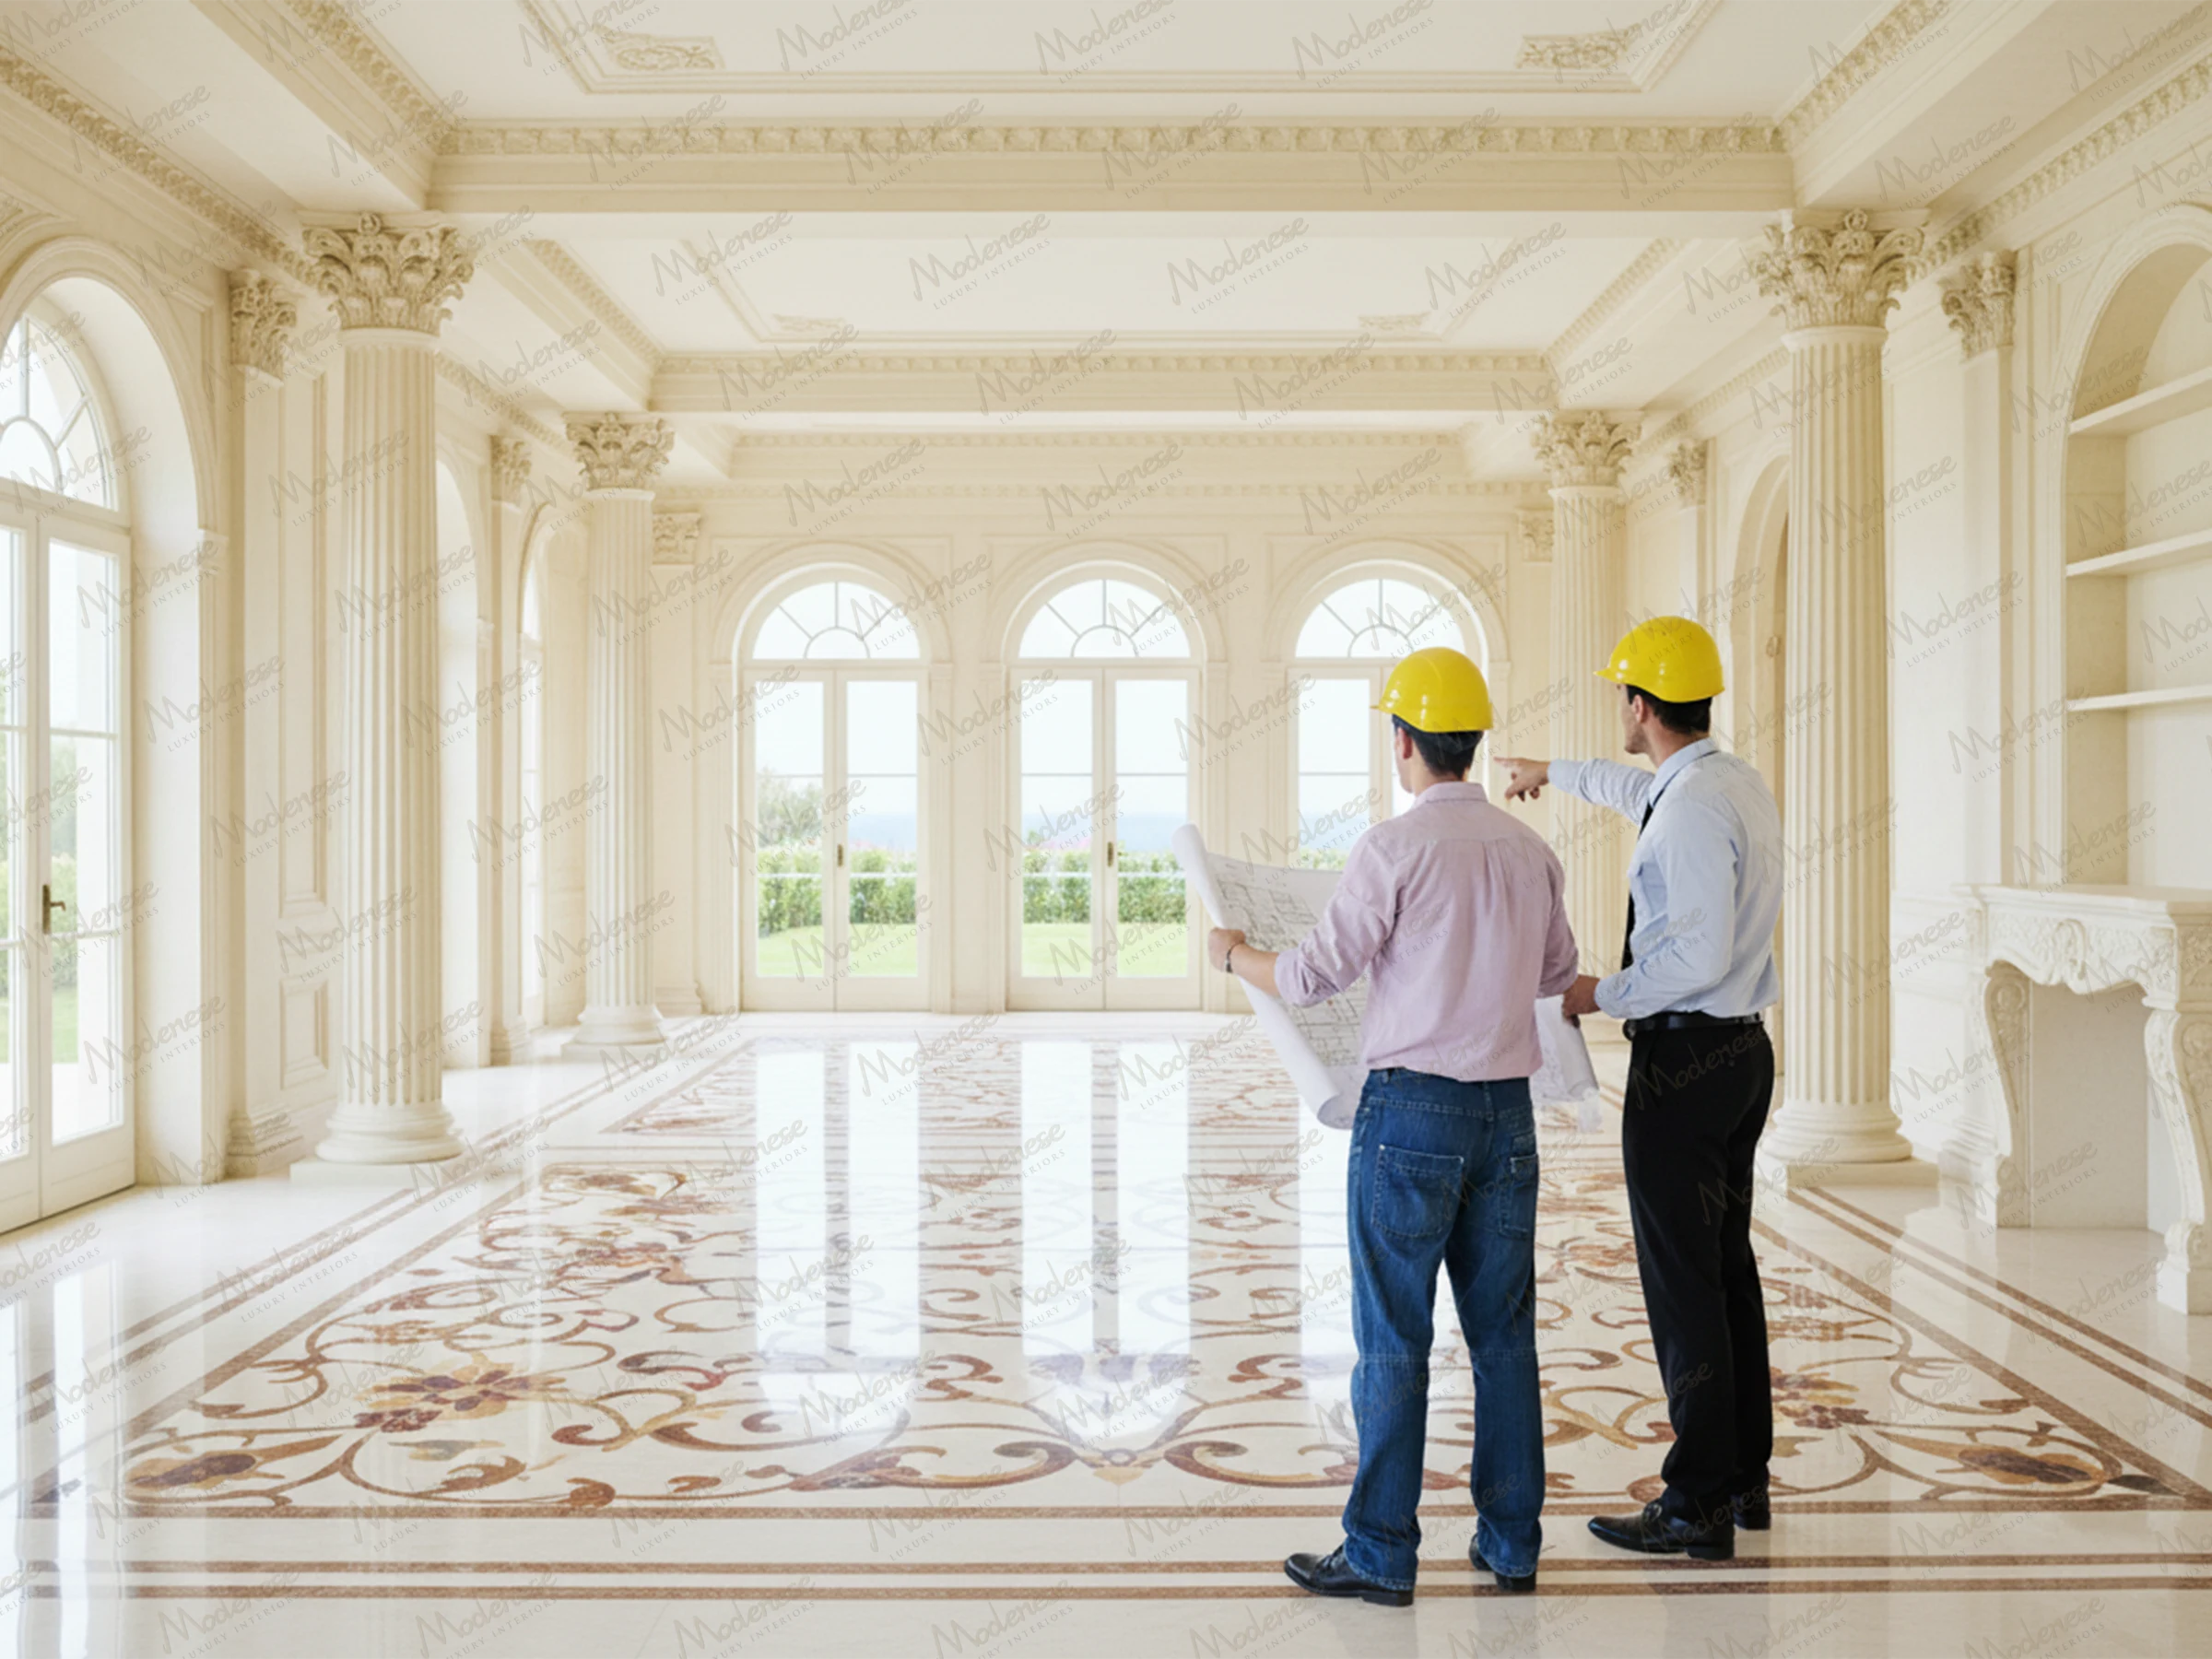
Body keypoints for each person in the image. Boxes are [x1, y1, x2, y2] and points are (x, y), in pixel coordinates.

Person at [1207, 645, 1577, 1604]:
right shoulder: (1531, 852)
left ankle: (1379, 1551)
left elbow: (1308, 977)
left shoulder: (1392, 848)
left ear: (1405, 741)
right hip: (1506, 1117)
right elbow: (1554, 973)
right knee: (1504, 1335)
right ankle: (1512, 1544)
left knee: (1394, 1338)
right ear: (1474, 742)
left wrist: (1235, 953)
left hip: (1411, 1113)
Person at [1495, 614, 1783, 1563]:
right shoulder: (1722, 781)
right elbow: (1635, 791)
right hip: (1738, 1056)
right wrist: (1552, 771)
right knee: (1725, 1269)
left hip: (1686, 1067)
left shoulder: (1692, 809)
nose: (1619, 708)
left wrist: (1600, 993)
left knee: (1683, 1283)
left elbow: (1695, 956)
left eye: (1623, 694)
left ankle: (1695, 1501)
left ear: (1641, 704)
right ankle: (1742, 1478)